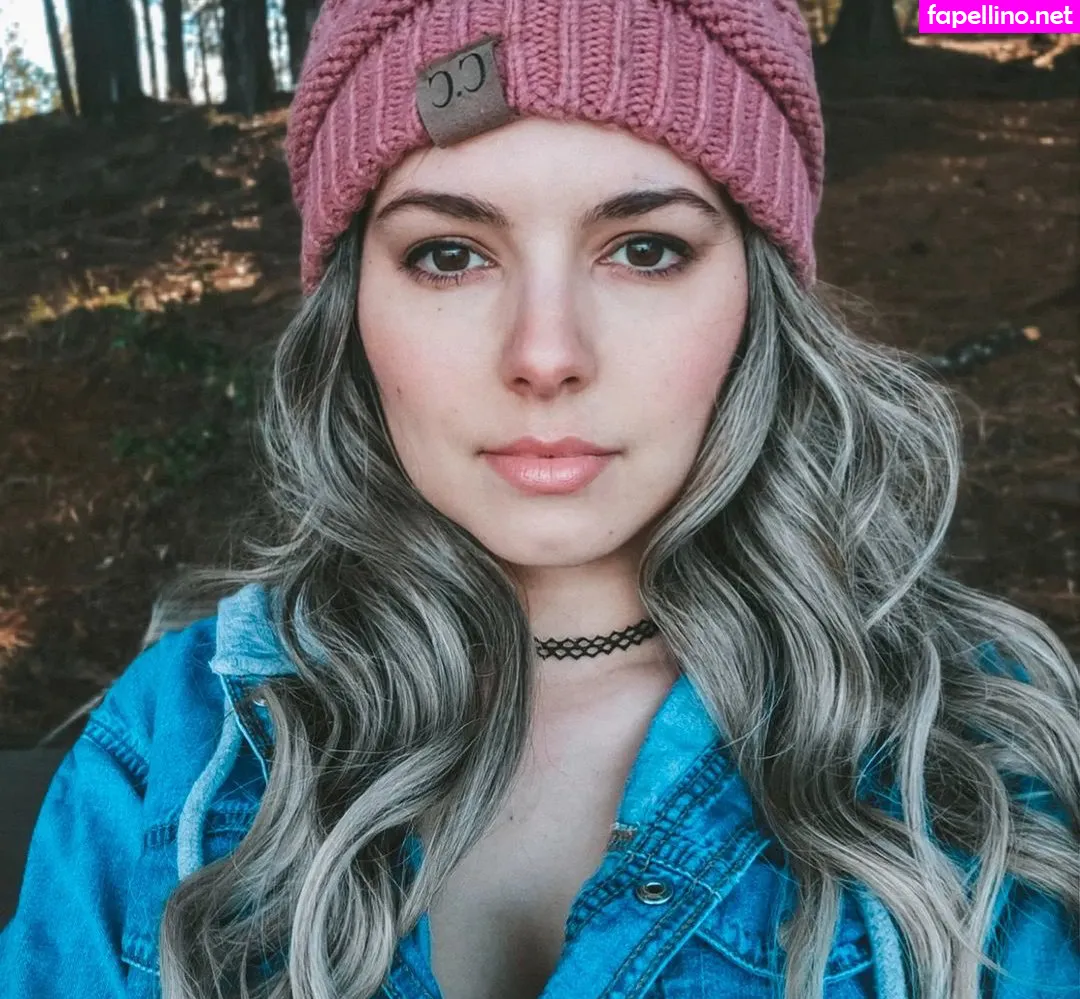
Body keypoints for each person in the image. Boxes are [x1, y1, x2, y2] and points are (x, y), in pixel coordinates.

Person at [2, 0, 1078, 997]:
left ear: (759, 296)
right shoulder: (178, 744)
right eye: (450, 254)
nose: (546, 354)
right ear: (352, 305)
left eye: (645, 250)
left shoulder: (969, 751)